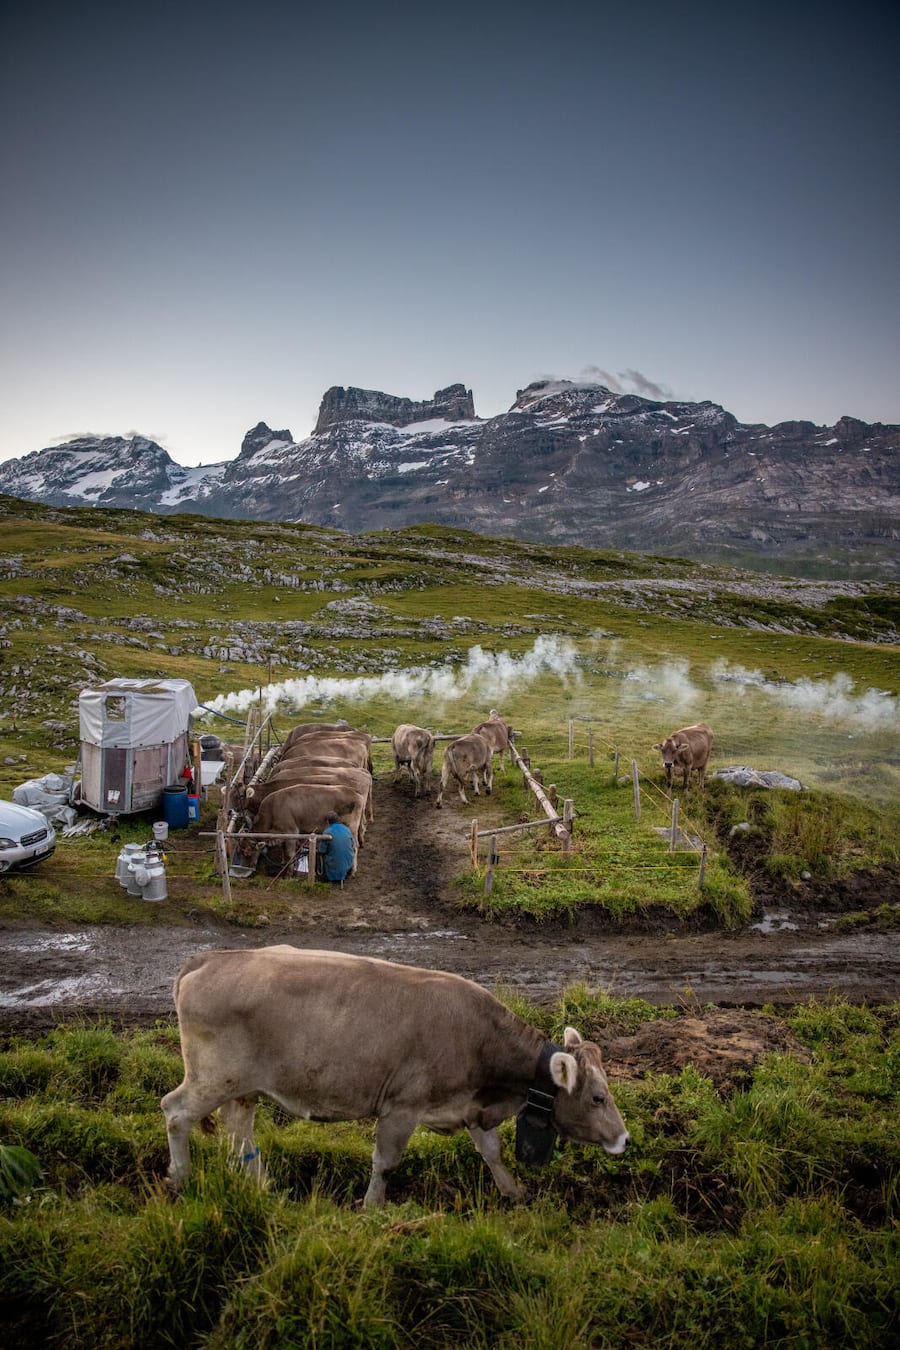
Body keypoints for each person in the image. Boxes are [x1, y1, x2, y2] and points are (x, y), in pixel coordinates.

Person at [316, 811, 355, 883]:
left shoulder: (327, 832)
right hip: (348, 864)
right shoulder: (347, 829)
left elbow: (321, 850)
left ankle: (322, 876)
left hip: (334, 865)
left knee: (318, 856)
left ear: (327, 821)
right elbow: (352, 844)